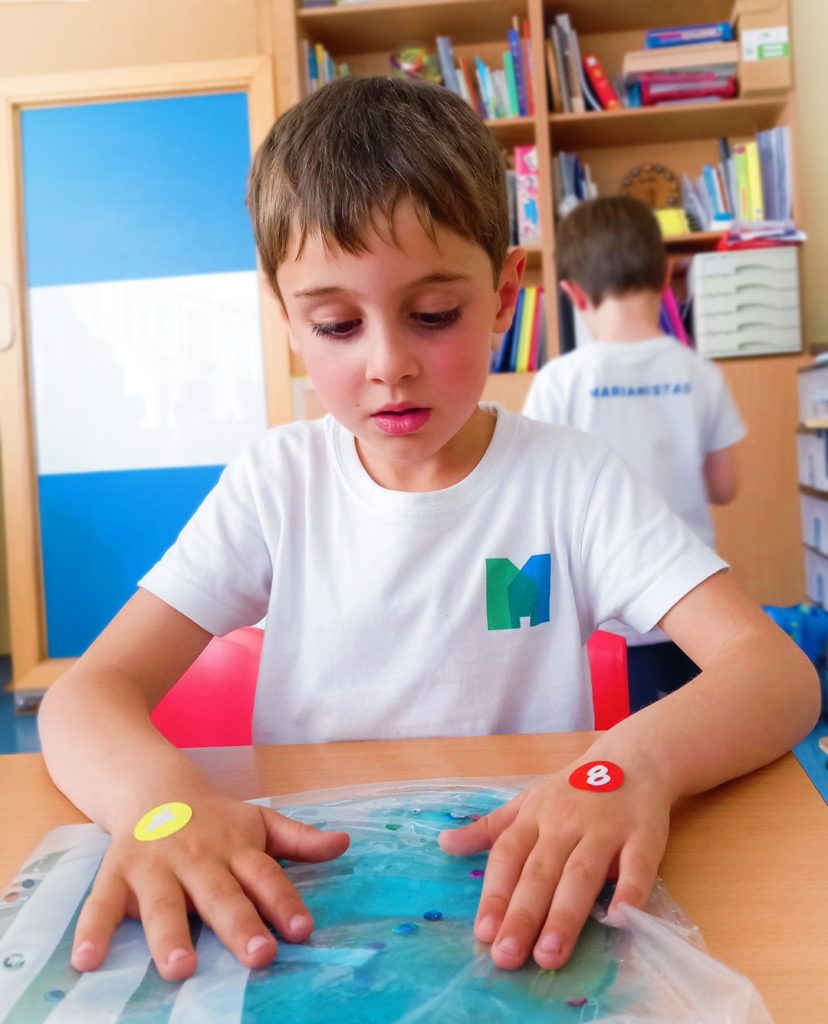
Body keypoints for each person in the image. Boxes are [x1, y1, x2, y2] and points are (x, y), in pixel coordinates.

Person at [38, 76, 818, 988]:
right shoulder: (277, 483)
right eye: (336, 323)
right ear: (286, 318)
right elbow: (85, 695)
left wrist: (630, 764)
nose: (389, 365)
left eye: (434, 315)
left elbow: (775, 674)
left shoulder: (571, 480)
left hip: (516, 896)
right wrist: (162, 805)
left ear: (504, 295)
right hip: (312, 907)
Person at [524, 196, 746, 711]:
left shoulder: (560, 381)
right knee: (692, 735)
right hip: (689, 608)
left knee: (615, 741)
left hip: (602, 621)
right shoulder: (700, 374)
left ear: (572, 293)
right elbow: (725, 486)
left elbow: (537, 496)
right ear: (667, 274)